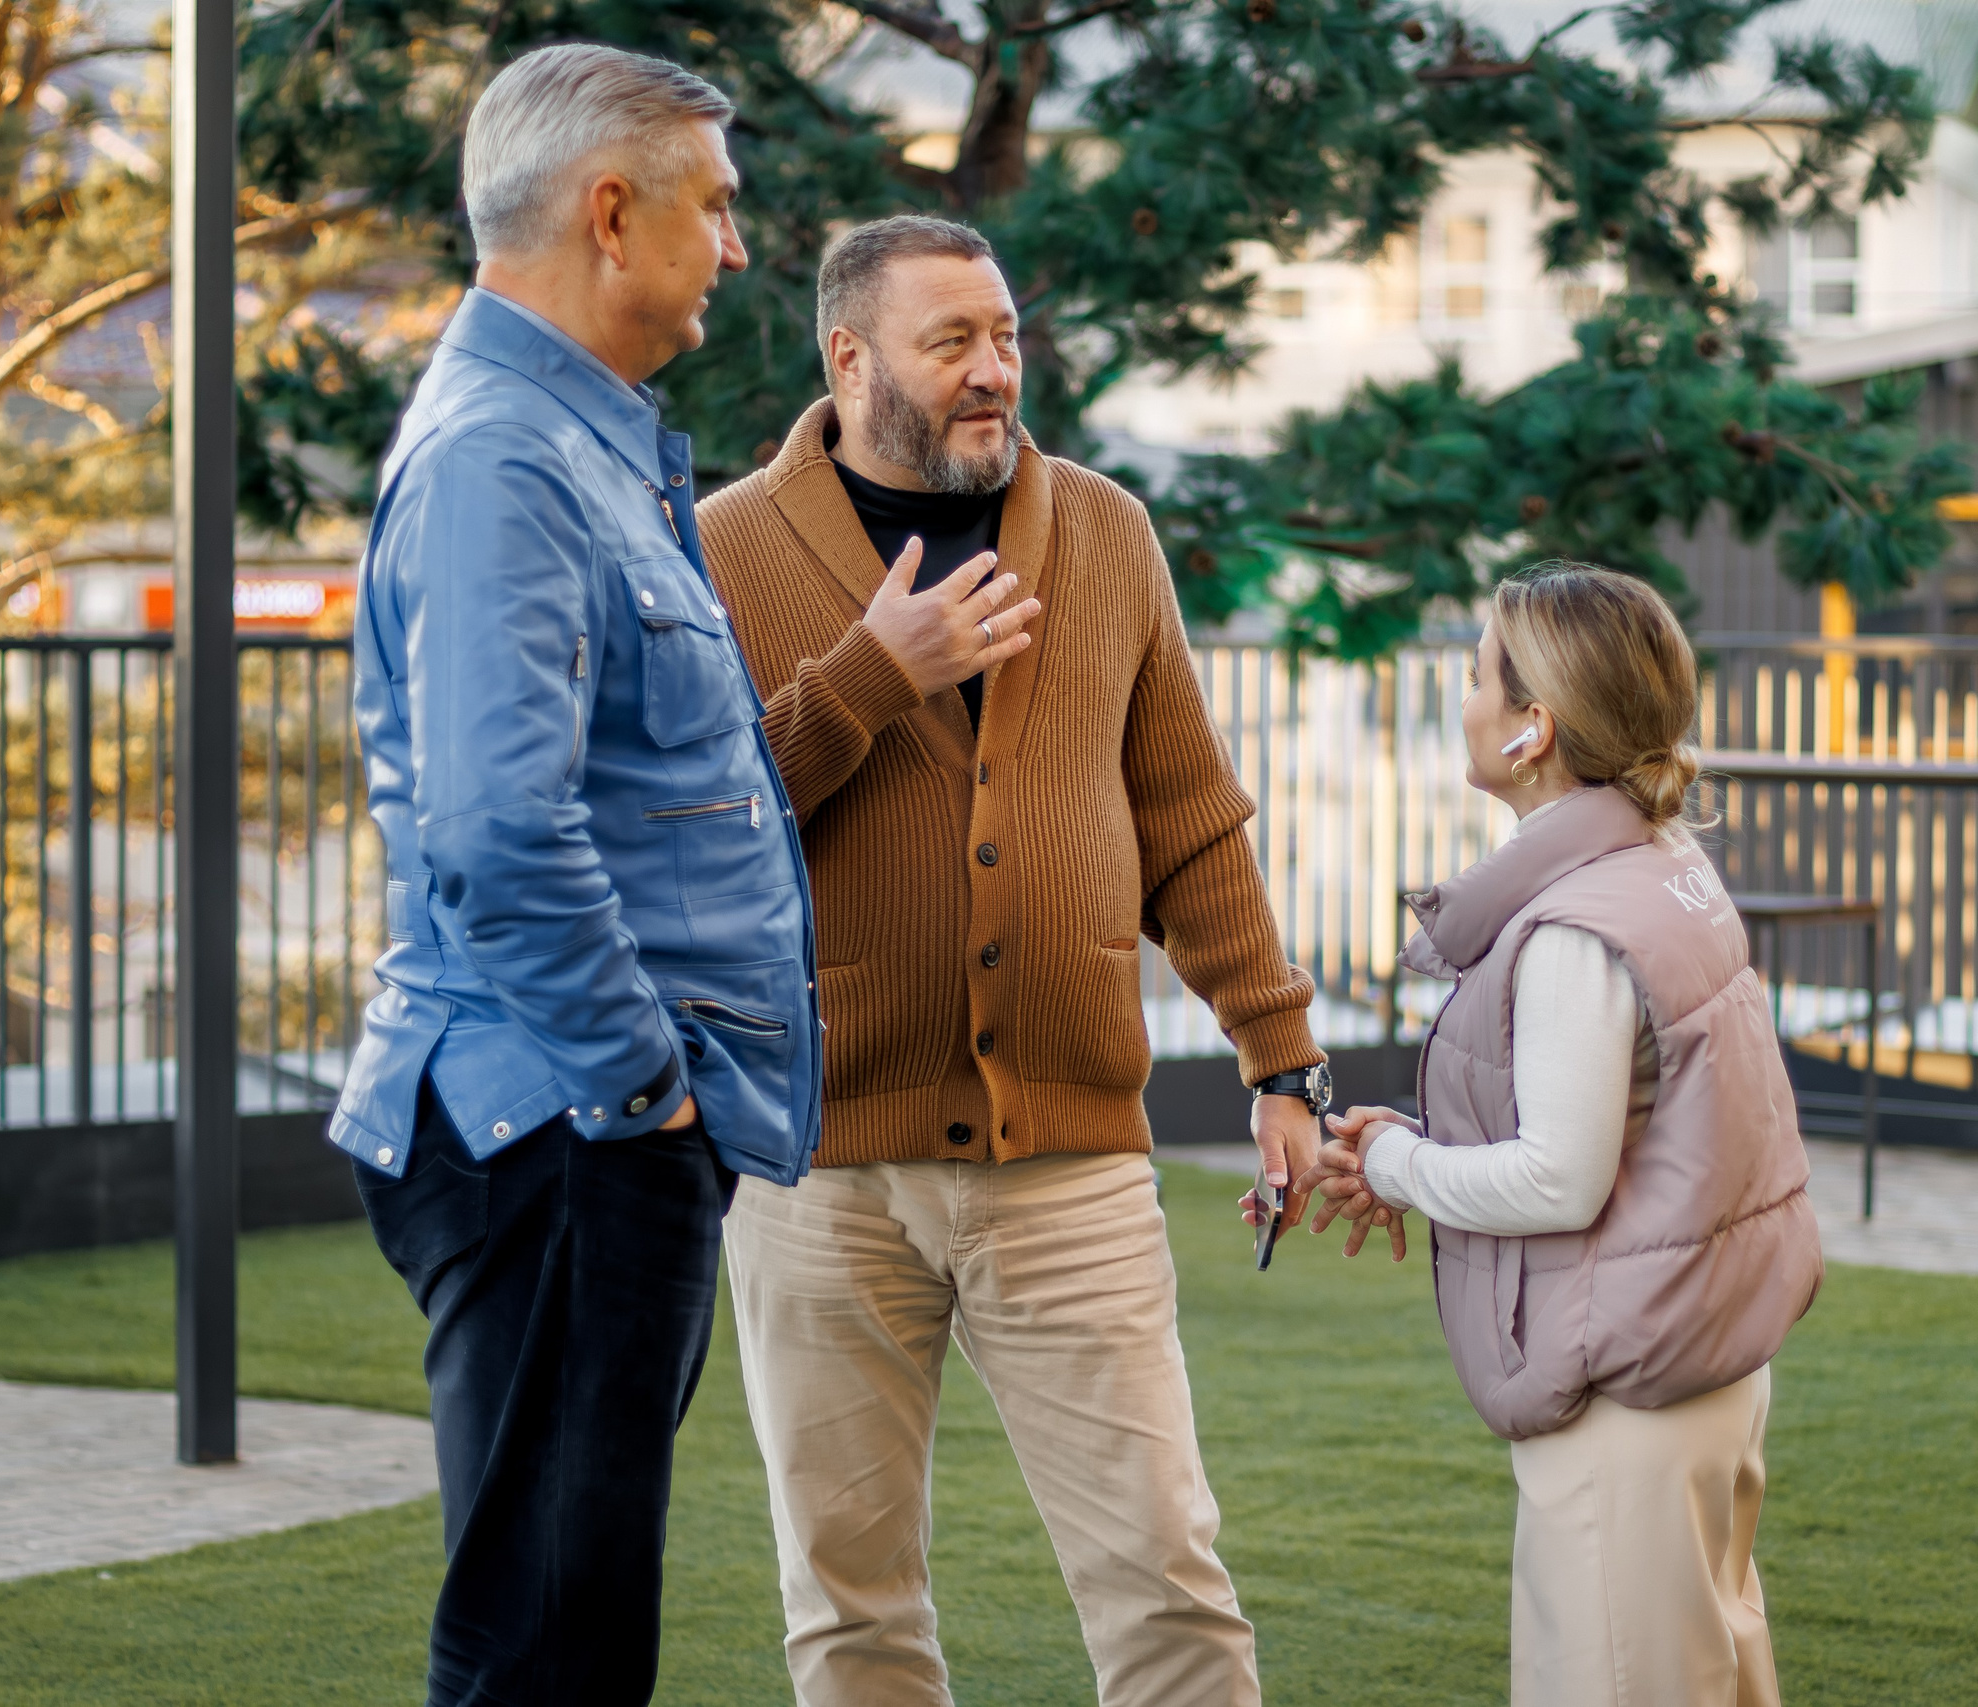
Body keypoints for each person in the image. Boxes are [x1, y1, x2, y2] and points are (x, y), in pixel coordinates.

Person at [694, 213, 1329, 1707]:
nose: (995, 372)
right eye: (952, 343)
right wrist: (867, 678)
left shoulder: (1101, 529)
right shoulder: (720, 545)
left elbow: (1189, 818)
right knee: (849, 1604)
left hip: (1069, 1162)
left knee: (1169, 1575)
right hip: (817, 1164)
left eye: (1006, 338)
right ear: (849, 357)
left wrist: (1281, 1051)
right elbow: (690, 831)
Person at [330, 46, 820, 1706]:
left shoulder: (569, 443)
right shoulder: (506, 464)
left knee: (570, 1630)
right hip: (563, 1128)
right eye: (716, 205)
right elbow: (492, 832)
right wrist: (645, 1096)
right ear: (611, 215)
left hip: (580, 1126)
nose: (736, 248)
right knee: (544, 1649)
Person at [1304, 565, 1824, 1707]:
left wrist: (1391, 1163)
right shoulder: (1662, 867)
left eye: (1480, 673)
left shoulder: (1574, 925)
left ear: (1534, 726)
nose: (1464, 694)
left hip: (1630, 1395)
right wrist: (1417, 1145)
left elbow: (1560, 1176)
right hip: (1702, 1357)